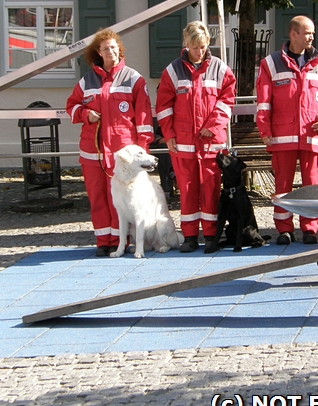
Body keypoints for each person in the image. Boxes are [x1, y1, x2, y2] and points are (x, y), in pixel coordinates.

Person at [66, 29, 154, 256]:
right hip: (92, 150)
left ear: (119, 49)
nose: (110, 52)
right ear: (99, 52)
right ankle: (103, 241)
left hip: (121, 154)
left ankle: (119, 240)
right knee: (97, 197)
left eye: (114, 47)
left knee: (121, 199)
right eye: (106, 48)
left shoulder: (134, 78)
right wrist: (86, 114)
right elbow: (72, 107)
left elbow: (144, 117)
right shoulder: (87, 81)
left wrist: (143, 148)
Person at [256, 15, 318, 245]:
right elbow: (264, 103)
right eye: (307, 32)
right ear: (293, 34)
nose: (312, 36)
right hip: (281, 138)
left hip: (310, 137)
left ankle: (310, 229)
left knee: (311, 185)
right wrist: (265, 130)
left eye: (312, 32)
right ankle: (284, 230)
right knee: (283, 186)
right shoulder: (270, 64)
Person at [156, 21, 236, 253]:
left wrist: (213, 124)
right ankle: (190, 236)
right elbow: (163, 106)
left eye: (202, 47)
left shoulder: (220, 69)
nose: (199, 51)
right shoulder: (172, 71)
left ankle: (211, 235)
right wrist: (168, 134)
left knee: (210, 189)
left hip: (211, 141)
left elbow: (227, 99)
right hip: (183, 142)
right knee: (188, 189)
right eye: (194, 47)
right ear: (186, 44)